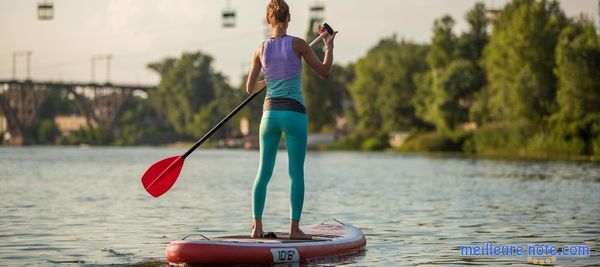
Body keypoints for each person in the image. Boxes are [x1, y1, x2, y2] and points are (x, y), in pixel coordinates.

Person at [245, 0, 337, 240]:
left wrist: (268, 81)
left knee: (263, 172)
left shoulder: (259, 49)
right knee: (296, 172)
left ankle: (256, 228)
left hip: (270, 115)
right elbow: (324, 71)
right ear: (289, 19)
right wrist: (328, 45)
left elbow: (249, 88)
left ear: (268, 20)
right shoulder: (298, 44)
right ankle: (295, 229)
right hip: (294, 113)